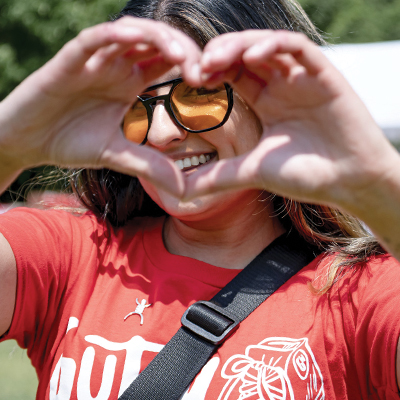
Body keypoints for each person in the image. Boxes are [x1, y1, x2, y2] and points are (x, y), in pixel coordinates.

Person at [1, 0, 400, 398]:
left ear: (270, 95)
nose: (160, 133)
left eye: (197, 94)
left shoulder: (357, 295)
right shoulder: (72, 255)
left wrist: (378, 186)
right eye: (134, 108)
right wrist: (8, 147)